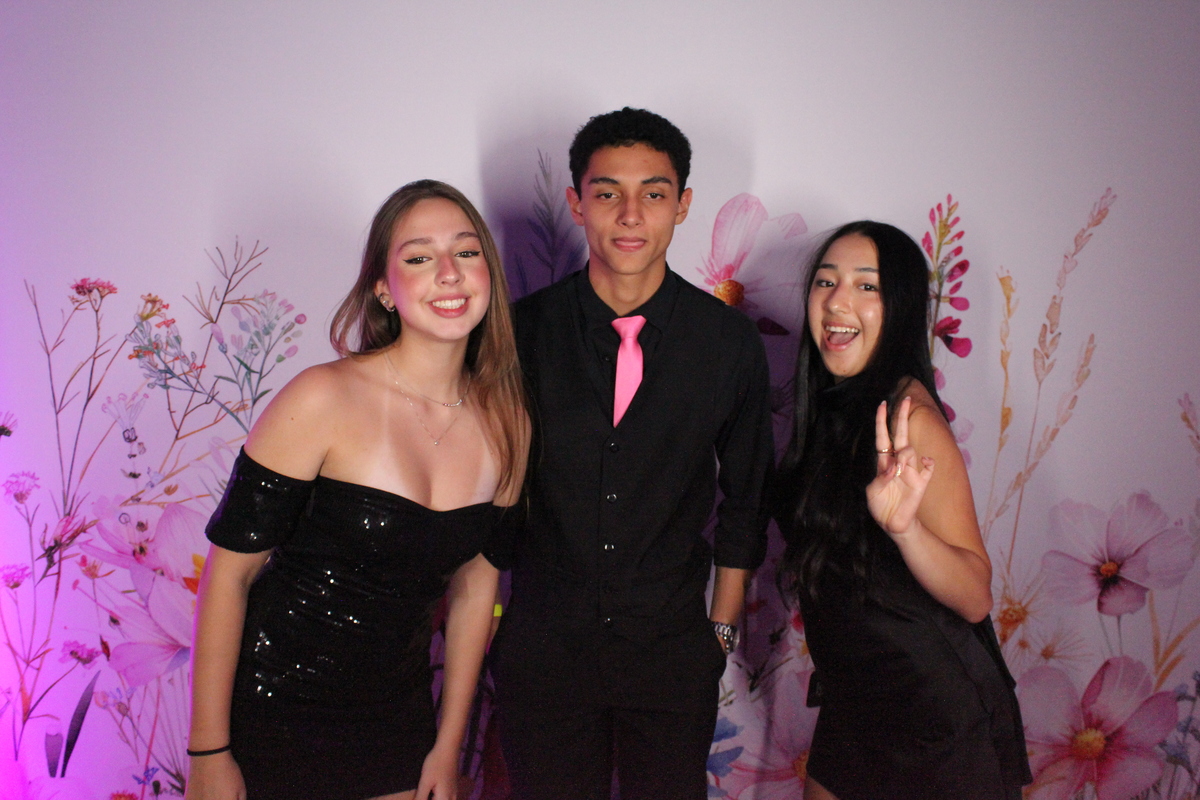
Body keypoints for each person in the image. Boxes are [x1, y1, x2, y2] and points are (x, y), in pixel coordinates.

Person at [185, 180, 528, 800]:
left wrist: (448, 747)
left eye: (466, 252)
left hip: (397, 722)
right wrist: (208, 752)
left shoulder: (510, 424)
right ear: (383, 288)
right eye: (419, 257)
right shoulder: (322, 396)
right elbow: (229, 576)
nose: (448, 273)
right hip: (272, 708)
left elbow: (477, 589)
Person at [490, 107, 775, 800]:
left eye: (653, 193)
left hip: (671, 654)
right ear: (576, 203)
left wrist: (720, 632)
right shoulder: (521, 333)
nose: (629, 214)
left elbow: (747, 496)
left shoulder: (727, 342)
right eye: (607, 192)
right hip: (544, 651)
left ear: (683, 205)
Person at [775, 221, 1032, 800]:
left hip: (932, 714)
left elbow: (975, 594)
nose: (837, 301)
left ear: (901, 309)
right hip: (855, 699)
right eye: (826, 281)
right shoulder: (832, 407)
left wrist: (906, 530)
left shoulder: (908, 418)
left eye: (867, 286)